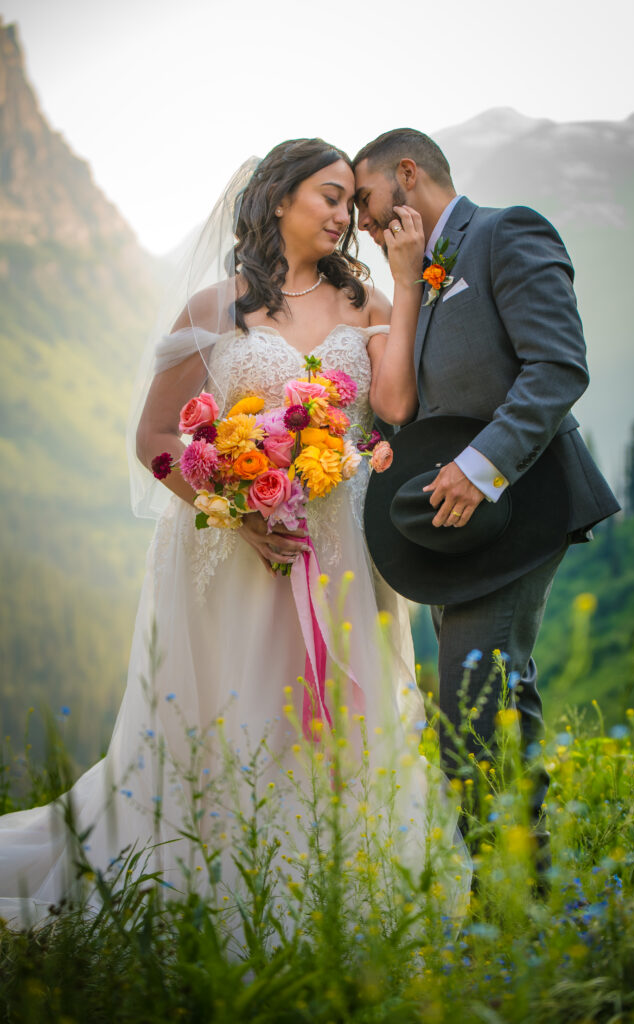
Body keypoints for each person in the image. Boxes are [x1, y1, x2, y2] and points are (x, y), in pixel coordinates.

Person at [0, 138, 471, 930]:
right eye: (327, 196)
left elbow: (390, 409)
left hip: (344, 550)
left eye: (349, 202)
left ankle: (342, 886)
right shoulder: (215, 309)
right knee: (241, 710)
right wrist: (231, 509)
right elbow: (155, 435)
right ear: (277, 199)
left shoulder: (365, 302)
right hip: (237, 551)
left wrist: (401, 283)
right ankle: (221, 885)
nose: (343, 215)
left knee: (343, 721)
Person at [354, 128, 620, 868]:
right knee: (494, 692)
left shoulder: (506, 232)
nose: (365, 225)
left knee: (471, 705)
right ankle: (521, 886)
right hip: (457, 524)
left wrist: (479, 466)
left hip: (519, 503)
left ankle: (504, 894)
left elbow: (558, 367)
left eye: (369, 202)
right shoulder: (419, 266)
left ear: (407, 173)